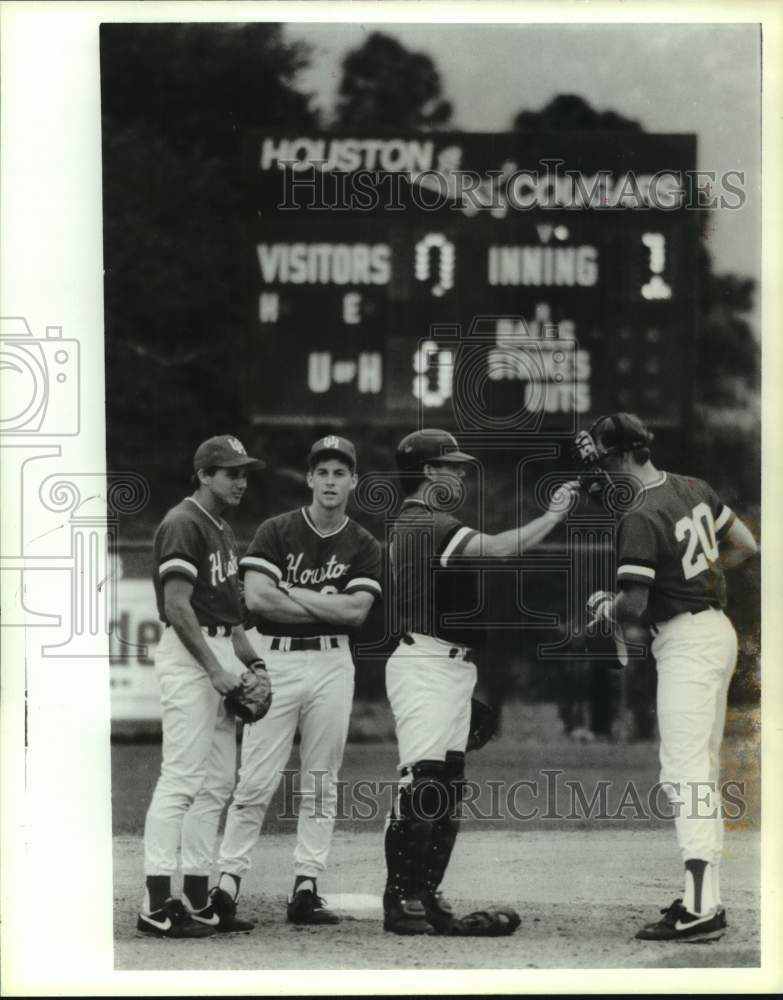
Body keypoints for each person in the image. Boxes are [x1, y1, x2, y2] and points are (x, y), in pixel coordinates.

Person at [383, 428, 578, 935]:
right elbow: (496, 550)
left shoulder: (426, 522)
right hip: (424, 663)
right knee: (422, 784)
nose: (459, 473)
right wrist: (555, 514)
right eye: (450, 466)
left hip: (446, 665)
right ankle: (400, 899)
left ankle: (424, 894)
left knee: (445, 788)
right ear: (427, 473)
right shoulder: (423, 522)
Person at [581, 413, 758, 942]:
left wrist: (604, 609)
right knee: (696, 767)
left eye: (604, 458)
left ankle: (703, 910)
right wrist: (695, 579)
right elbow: (745, 545)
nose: (601, 469)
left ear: (619, 456)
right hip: (715, 631)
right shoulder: (692, 487)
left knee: (685, 773)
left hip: (686, 640)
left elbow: (633, 604)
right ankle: (706, 899)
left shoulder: (639, 511)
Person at [208, 435, 382, 925]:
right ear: (309, 478)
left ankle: (306, 886)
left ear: (353, 481)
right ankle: (227, 883)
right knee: (256, 778)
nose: (330, 480)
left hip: (332, 663)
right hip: (276, 661)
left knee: (322, 778)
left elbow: (355, 613)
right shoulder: (277, 530)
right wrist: (320, 602)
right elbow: (259, 601)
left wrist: (294, 592)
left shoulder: (363, 543)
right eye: (322, 471)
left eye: (340, 472)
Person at [138, 434, 271, 938]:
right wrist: (214, 670)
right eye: (230, 472)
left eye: (243, 472)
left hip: (219, 652)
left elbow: (231, 619)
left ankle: (196, 901)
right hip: (190, 655)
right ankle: (154, 906)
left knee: (216, 784)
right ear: (204, 475)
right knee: (180, 779)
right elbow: (177, 606)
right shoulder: (183, 522)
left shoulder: (222, 529)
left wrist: (252, 664)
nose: (240, 480)